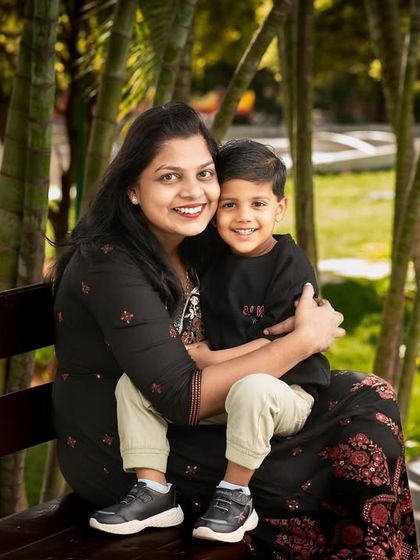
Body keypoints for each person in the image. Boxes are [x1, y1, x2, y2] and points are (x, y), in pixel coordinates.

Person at [52, 102, 417, 558]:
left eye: (205, 174)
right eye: (169, 177)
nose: (194, 191)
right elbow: (179, 396)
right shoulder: (109, 262)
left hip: (204, 417)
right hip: (134, 455)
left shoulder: (197, 242)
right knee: (331, 462)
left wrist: (308, 311)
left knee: (369, 398)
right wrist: (302, 341)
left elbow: (269, 281)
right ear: (132, 188)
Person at [89, 138, 331, 544]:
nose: (243, 217)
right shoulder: (214, 258)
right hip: (224, 388)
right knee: (133, 386)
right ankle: (154, 491)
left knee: (254, 388)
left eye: (258, 204)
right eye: (229, 204)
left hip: (283, 392)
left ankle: (236, 496)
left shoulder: (289, 264)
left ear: (280, 208)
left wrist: (209, 357)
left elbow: (281, 343)